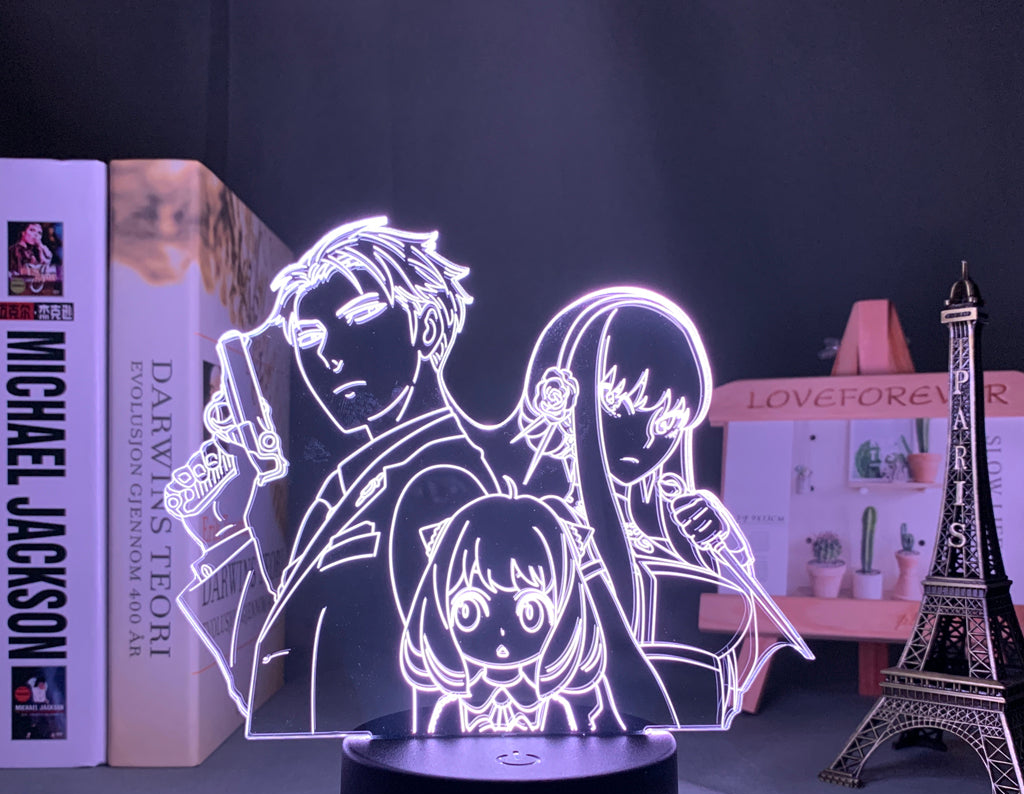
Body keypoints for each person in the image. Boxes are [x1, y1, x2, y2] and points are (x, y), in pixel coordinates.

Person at [167, 218, 497, 735]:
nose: (330, 357)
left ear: (428, 326)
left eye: (360, 317)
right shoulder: (355, 481)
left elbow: (437, 672)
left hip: (404, 750)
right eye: (308, 337)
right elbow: (279, 657)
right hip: (340, 752)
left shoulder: (447, 483)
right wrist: (229, 526)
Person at [507, 287, 811, 728]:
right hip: (568, 707)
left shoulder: (666, 513)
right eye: (621, 407)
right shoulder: (535, 516)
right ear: (565, 396)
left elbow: (739, 605)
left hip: (673, 703)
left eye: (667, 424)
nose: (647, 440)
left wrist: (720, 541)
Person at [399, 491, 624, 734]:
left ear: (568, 608)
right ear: (437, 606)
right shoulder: (452, 708)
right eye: (469, 613)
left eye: (532, 614)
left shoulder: (555, 708)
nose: (502, 633)